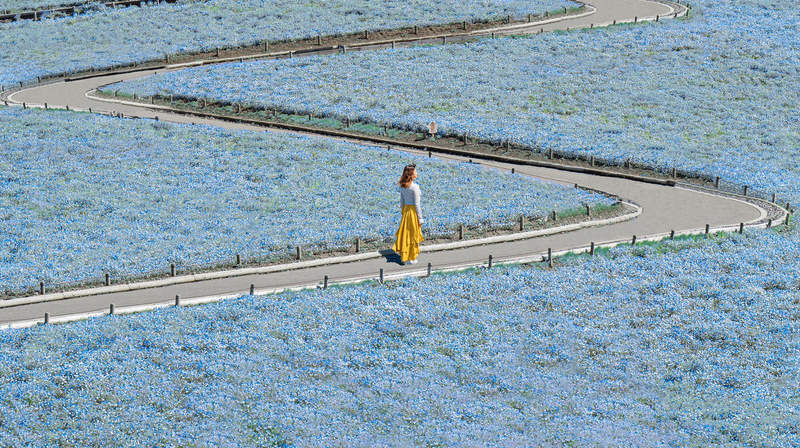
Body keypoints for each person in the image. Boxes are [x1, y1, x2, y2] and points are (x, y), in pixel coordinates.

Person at [393, 164, 424, 265]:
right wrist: (420, 218)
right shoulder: (414, 187)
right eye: (415, 171)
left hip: (406, 211)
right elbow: (417, 204)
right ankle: (411, 257)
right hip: (412, 212)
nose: (416, 173)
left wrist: (403, 213)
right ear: (411, 174)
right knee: (413, 235)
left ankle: (405, 257)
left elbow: (401, 202)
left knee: (405, 234)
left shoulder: (402, 186)